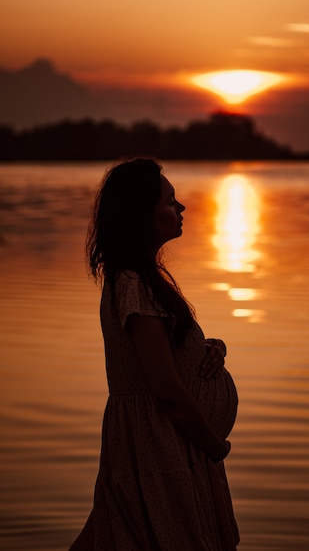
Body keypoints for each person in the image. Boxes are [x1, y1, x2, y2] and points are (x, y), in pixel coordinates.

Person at [70, 157, 239, 551]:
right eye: (169, 201)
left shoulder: (139, 281)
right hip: (160, 445)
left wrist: (210, 349)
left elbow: (166, 353)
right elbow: (164, 387)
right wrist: (214, 446)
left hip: (168, 442)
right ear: (140, 213)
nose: (180, 208)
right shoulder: (133, 283)